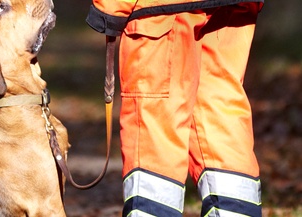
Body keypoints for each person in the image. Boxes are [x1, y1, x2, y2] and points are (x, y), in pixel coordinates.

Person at [86, 1, 264, 216]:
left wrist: (108, 10)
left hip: (161, 12)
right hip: (233, 7)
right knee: (219, 112)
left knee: (157, 124)